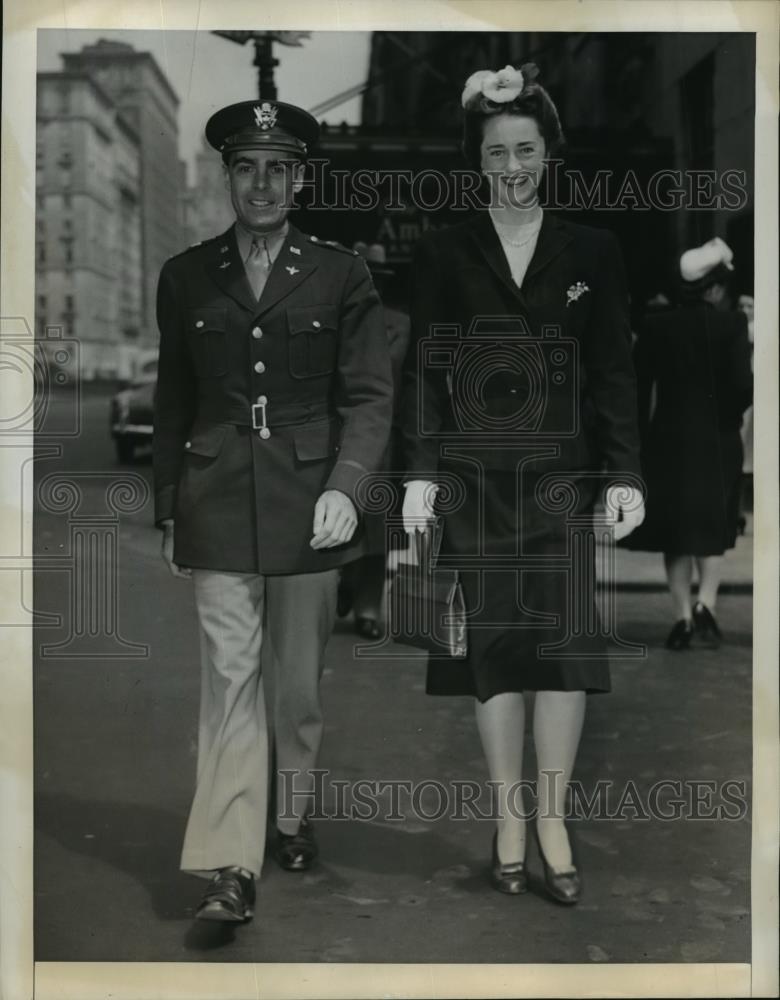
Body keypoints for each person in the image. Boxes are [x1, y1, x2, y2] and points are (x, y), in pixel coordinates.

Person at [400, 63, 644, 905]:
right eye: (497, 151)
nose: (512, 164)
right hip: (475, 487)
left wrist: (625, 474)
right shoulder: (442, 252)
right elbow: (426, 377)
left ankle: (554, 819)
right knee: (496, 656)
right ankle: (509, 816)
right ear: (479, 161)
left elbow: (612, 370)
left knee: (565, 655)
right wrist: (420, 479)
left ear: (548, 156)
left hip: (563, 485)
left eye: (527, 149)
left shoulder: (594, 251)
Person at [152, 98, 393, 923]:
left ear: (299, 179)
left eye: (277, 169)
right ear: (227, 176)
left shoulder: (340, 273)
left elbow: (368, 396)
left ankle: (289, 812)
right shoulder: (186, 274)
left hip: (309, 502)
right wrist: (167, 509)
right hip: (216, 497)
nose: (260, 184)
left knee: (294, 684)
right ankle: (230, 861)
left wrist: (347, 486)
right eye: (245, 168)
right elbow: (174, 399)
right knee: (229, 680)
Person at [624, 238, 753, 650]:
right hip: (718, 439)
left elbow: (639, 388)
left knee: (676, 533)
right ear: (714, 288)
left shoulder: (656, 325)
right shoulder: (730, 325)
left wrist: (639, 438)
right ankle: (706, 604)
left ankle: (680, 615)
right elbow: (741, 387)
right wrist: (730, 419)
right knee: (713, 525)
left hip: (668, 441)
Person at [337, 243, 411, 637]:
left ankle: (367, 608)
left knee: (380, 529)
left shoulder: (400, 325)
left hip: (387, 441)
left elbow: (410, 385)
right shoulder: (331, 322)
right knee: (344, 519)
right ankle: (346, 582)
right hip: (340, 437)